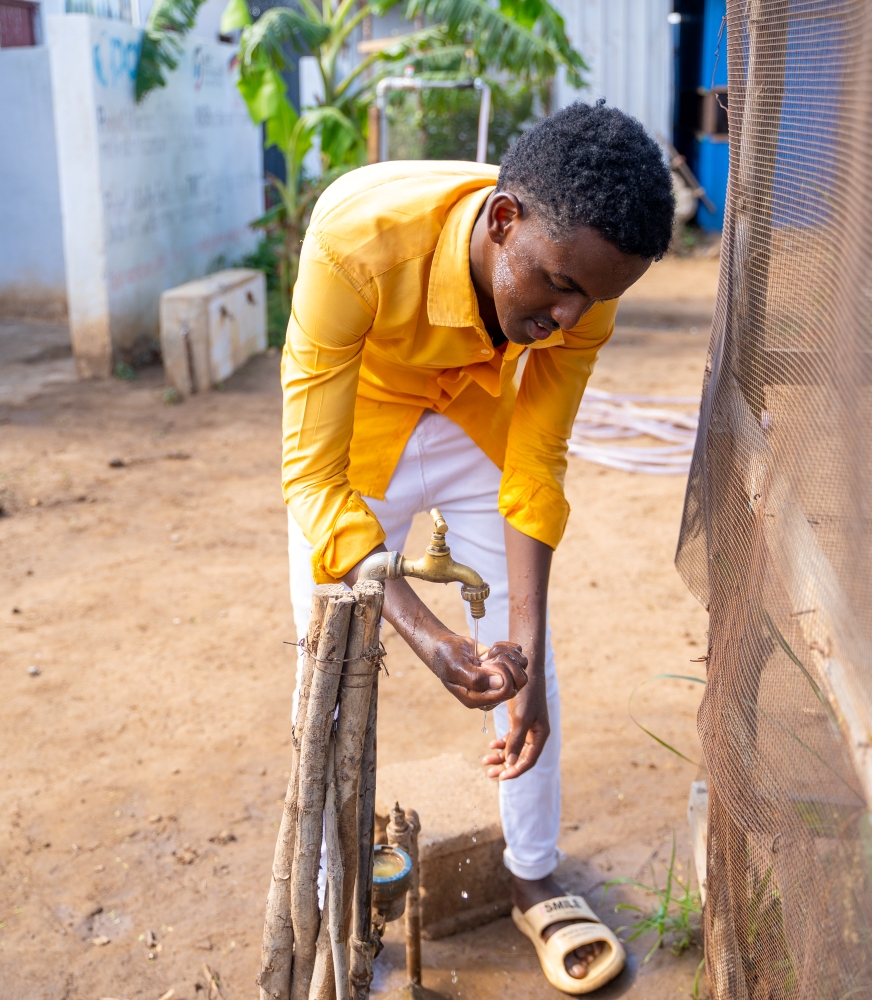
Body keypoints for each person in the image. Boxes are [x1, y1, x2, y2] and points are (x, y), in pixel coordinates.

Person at [283, 100, 674, 993]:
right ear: (505, 224)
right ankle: (332, 903)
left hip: (471, 422)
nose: (571, 319)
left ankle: (532, 872)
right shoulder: (356, 240)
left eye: (596, 301)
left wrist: (521, 644)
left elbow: (537, 458)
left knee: (530, 663)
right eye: (557, 286)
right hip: (361, 427)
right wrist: (428, 639)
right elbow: (312, 483)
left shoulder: (588, 281)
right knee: (325, 663)